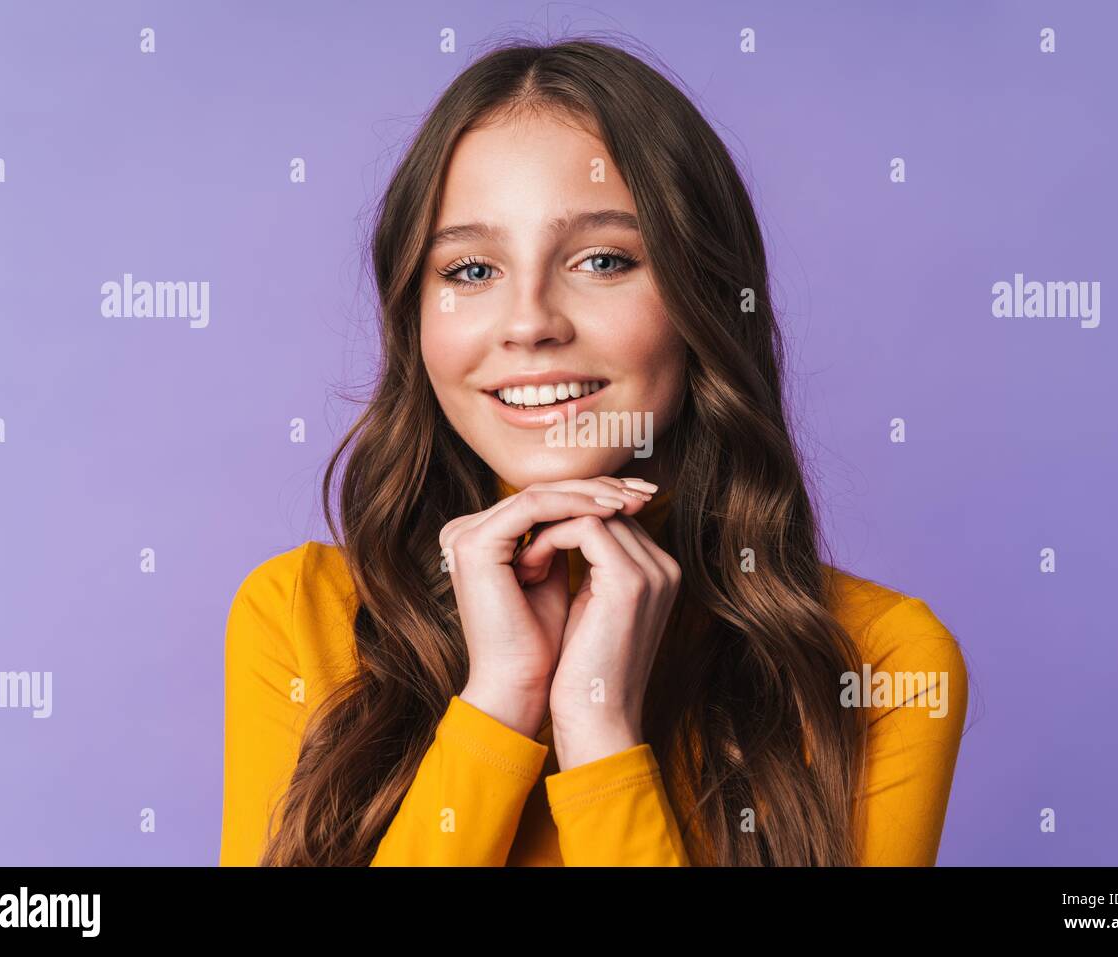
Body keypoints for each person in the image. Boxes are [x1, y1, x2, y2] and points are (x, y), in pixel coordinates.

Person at [220, 37, 969, 867]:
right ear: (414, 318)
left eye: (603, 260)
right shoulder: (299, 614)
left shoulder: (881, 659)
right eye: (470, 269)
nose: (530, 320)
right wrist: (500, 703)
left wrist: (600, 730)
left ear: (706, 301)